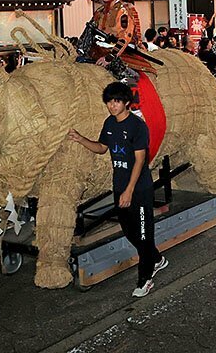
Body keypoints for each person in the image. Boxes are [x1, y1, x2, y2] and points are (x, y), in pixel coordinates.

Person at [68, 82, 168, 297]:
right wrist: (81, 139)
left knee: (143, 235)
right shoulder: (110, 124)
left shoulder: (137, 126)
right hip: (120, 186)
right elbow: (102, 148)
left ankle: (145, 278)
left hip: (138, 189)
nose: (112, 106)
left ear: (126, 103)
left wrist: (130, 190)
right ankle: (157, 259)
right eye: (109, 102)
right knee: (129, 231)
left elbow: (141, 160)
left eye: (116, 102)